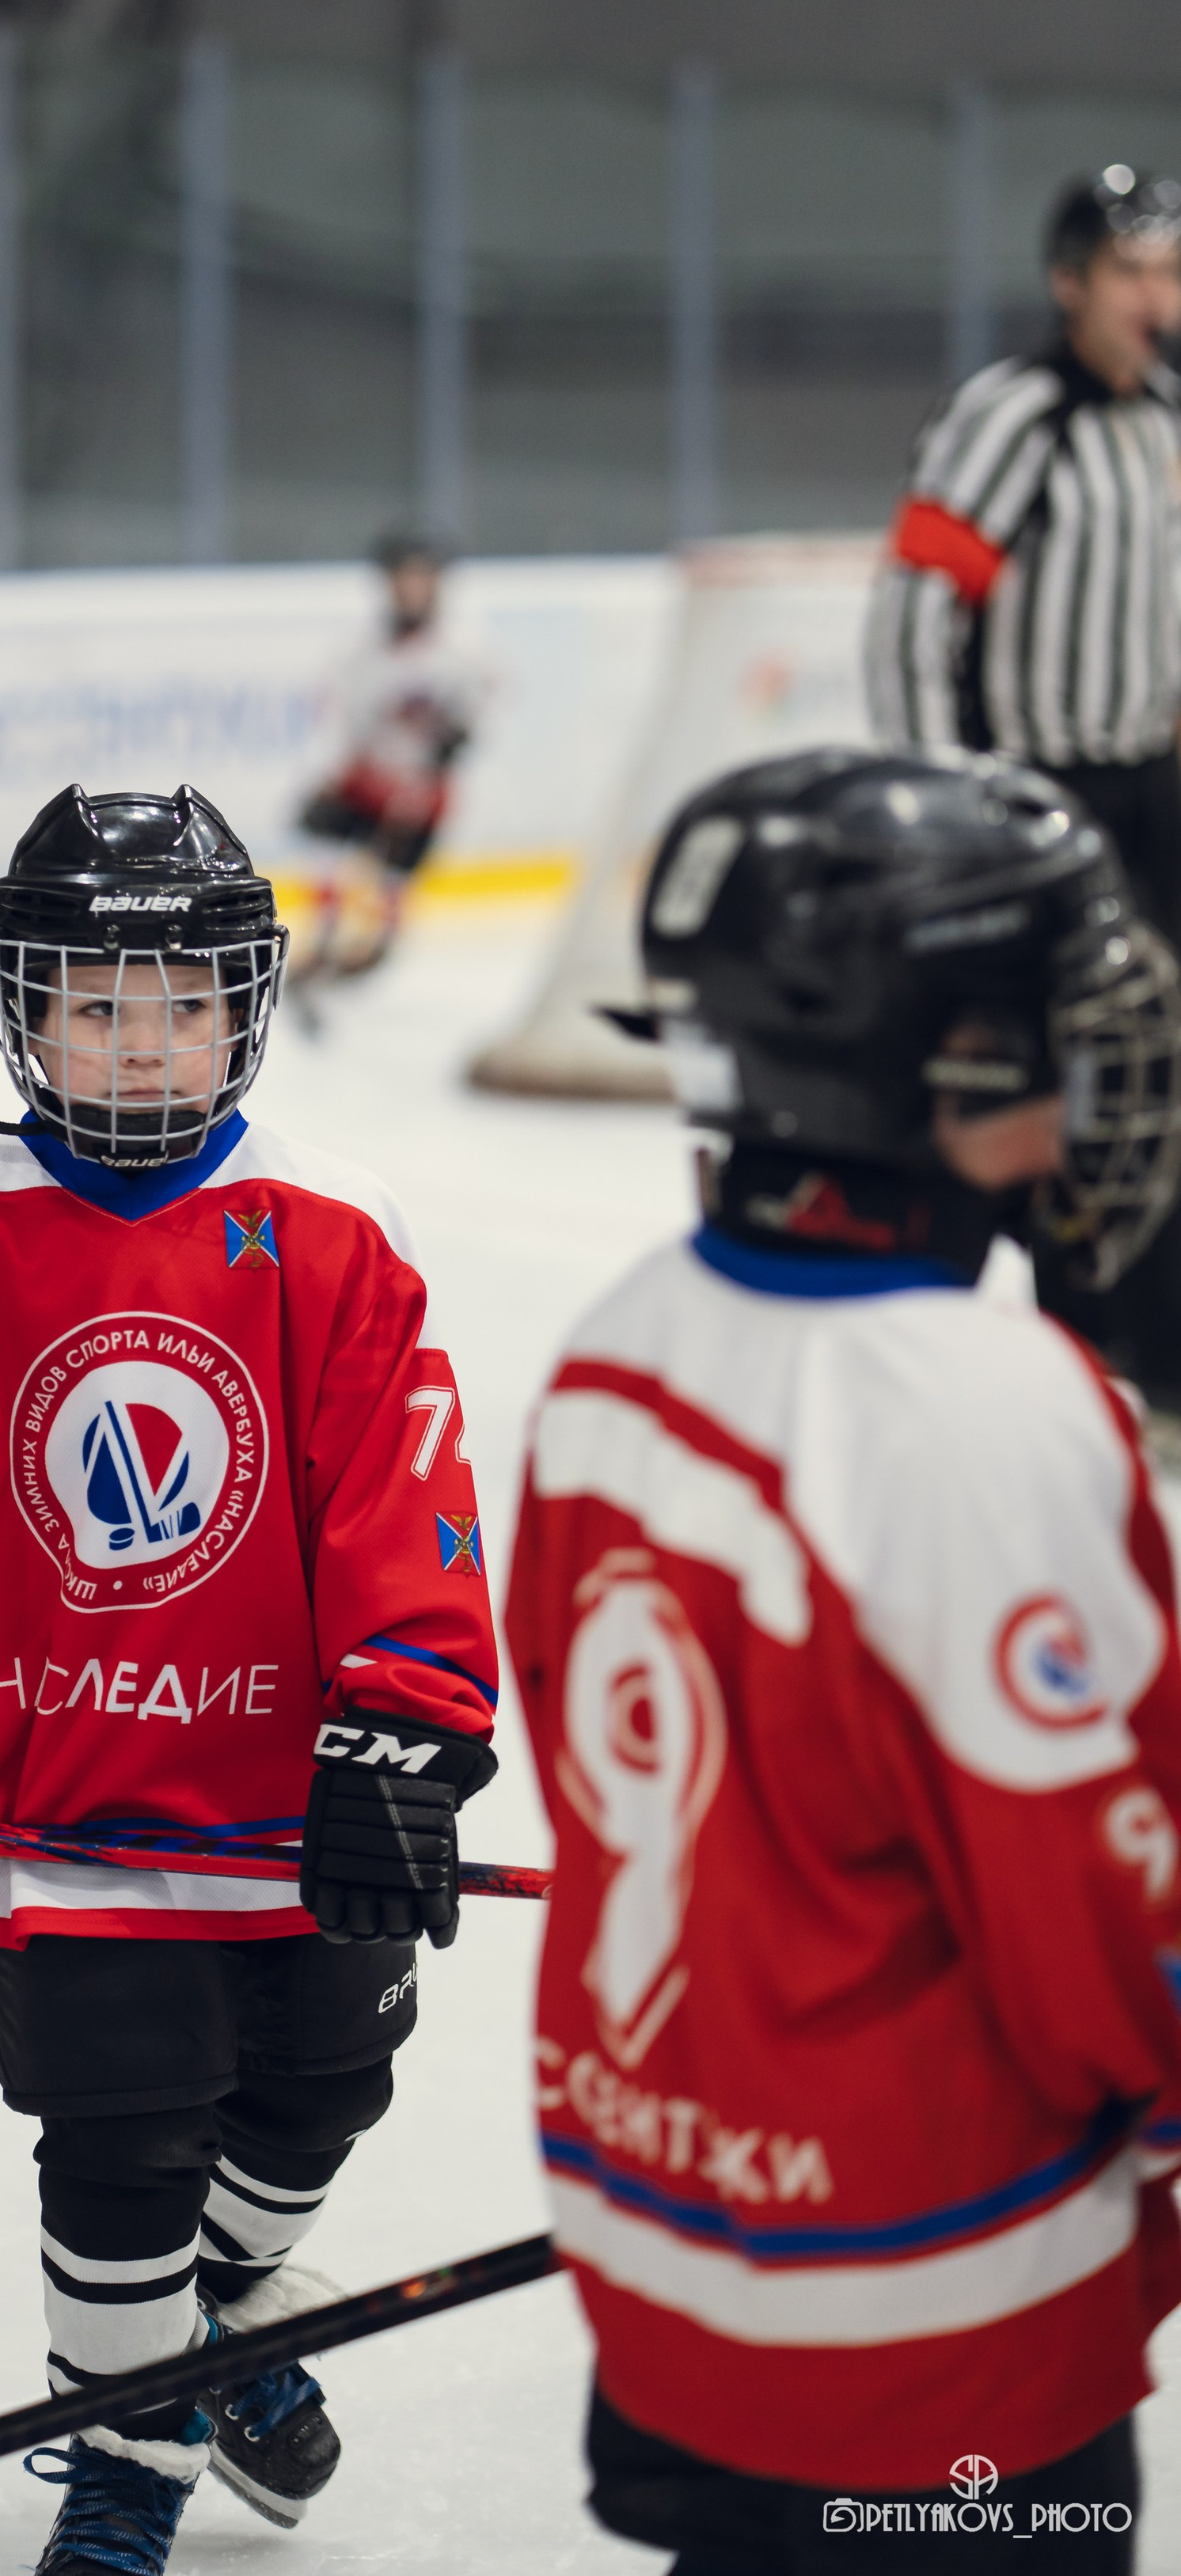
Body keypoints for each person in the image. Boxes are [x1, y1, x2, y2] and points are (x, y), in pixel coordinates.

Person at [0, 782, 497, 2576]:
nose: (141, 1045)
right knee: (116, 2144)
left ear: (244, 1005)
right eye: (94, 1001)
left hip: (292, 1794)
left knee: (325, 2087)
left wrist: (408, 1719)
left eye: (179, 1005)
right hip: (58, 1805)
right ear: (22, 1005)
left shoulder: (329, 1224)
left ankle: (213, 2325)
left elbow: (407, 1487)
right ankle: (120, 2462)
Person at [506, 744, 1181, 2574]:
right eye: (1042, 1024)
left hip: (659, 2235)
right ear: (923, 1066)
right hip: (920, 2320)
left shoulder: (614, 1341)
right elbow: (1089, 1939)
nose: (1090, 1067)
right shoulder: (978, 1410)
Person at [864, 165, 1181, 1424]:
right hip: (1033, 803)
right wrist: (948, 805)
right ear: (1070, 286)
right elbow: (911, 620)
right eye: (1134, 273)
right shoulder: (1010, 418)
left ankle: (1138, 1349)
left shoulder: (1164, 418)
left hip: (1152, 797)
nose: (1158, 299)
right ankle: (955, 1348)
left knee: (1154, 1072)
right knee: (1016, 1084)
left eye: (1171, 272)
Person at [290, 529, 489, 1027]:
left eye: (424, 579)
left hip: (421, 786)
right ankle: (330, 929)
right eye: (406, 579)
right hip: (372, 776)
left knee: (402, 856)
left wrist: (433, 766)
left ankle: (381, 937)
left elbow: (473, 722)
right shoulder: (363, 651)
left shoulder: (462, 651)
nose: (415, 590)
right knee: (321, 823)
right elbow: (344, 722)